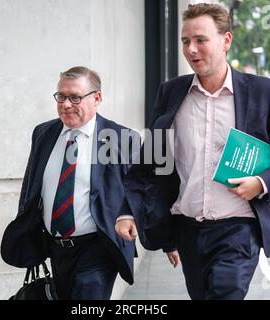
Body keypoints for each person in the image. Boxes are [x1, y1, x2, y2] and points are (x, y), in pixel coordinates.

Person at [116, 3, 270, 300]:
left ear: (226, 40)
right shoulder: (171, 92)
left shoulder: (262, 93)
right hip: (188, 229)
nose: (191, 49)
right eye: (185, 41)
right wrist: (128, 211)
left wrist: (261, 182)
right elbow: (153, 162)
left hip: (238, 228)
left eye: (201, 40)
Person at [1, 66, 138, 300]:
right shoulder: (44, 133)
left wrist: (136, 221)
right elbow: (31, 187)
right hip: (56, 248)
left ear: (97, 98)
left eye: (75, 97)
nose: (65, 104)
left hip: (98, 246)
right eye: (61, 96)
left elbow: (139, 189)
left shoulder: (121, 138)